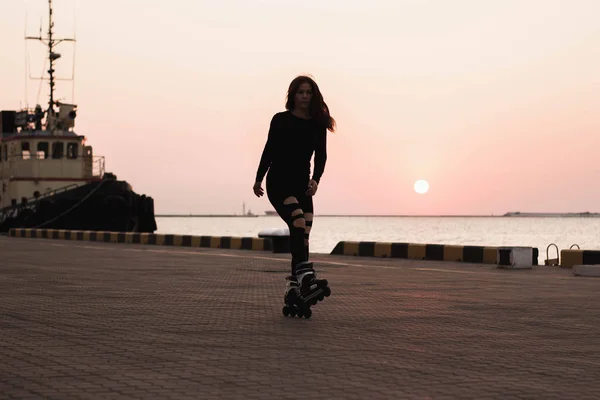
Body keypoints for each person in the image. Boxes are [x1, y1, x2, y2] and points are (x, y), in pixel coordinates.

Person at [253, 75, 336, 304]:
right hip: (279, 182)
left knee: (303, 234)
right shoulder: (280, 120)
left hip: (302, 185)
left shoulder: (318, 124)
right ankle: (305, 276)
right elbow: (269, 149)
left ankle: (293, 289)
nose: (305, 97)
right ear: (293, 94)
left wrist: (316, 179)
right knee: (298, 221)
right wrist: (259, 178)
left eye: (309, 93)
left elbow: (322, 155)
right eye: (301, 92)